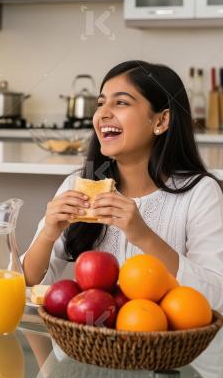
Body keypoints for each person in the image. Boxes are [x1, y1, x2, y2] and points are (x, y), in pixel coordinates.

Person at [22, 60, 223, 312]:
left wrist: (143, 235)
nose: (103, 113)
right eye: (100, 103)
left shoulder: (201, 193)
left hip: (169, 347)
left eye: (121, 102)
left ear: (161, 121)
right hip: (90, 345)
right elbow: (27, 286)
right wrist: (48, 234)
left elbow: (216, 297)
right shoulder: (78, 185)